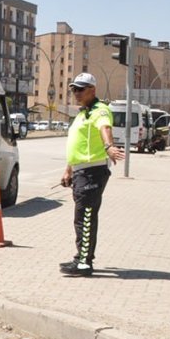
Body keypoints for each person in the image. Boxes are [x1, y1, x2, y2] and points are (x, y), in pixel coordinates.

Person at [59, 73, 124, 277]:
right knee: (82, 217)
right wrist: (68, 170)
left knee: (85, 217)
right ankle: (82, 257)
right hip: (81, 172)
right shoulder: (82, 114)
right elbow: (77, 145)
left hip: (92, 172)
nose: (76, 93)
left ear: (92, 90)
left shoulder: (100, 110)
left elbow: (105, 128)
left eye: (80, 89)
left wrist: (109, 146)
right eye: (74, 89)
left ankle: (84, 263)